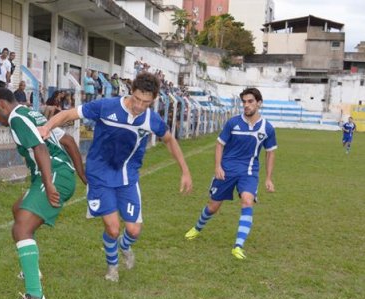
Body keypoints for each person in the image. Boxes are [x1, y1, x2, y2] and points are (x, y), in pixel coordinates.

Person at [39, 72, 193, 282]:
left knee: (134, 230)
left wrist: (185, 170)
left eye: (145, 102)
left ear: (154, 99)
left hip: (127, 178)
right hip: (100, 175)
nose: (139, 105)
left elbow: (169, 140)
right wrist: (47, 127)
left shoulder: (151, 119)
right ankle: (113, 268)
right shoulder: (106, 106)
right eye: (137, 99)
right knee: (112, 228)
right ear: (131, 92)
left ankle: (125, 246)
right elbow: (68, 114)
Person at [0, 88, 86, 299]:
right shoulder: (33, 114)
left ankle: (34, 295)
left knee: (21, 228)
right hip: (58, 174)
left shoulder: (17, 119)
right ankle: (32, 268)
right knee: (18, 209)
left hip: (53, 175)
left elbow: (40, 148)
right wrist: (81, 173)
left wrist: (50, 184)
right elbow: (69, 141)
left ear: (2, 104)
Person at [184, 87, 277, 260]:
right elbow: (220, 144)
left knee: (247, 201)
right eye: (244, 102)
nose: (246, 105)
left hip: (249, 172)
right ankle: (197, 228)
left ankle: (238, 246)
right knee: (213, 206)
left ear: (259, 103)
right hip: (226, 171)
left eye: (250, 101)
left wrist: (269, 178)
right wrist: (218, 166)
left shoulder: (267, 128)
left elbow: (270, 152)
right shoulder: (233, 123)